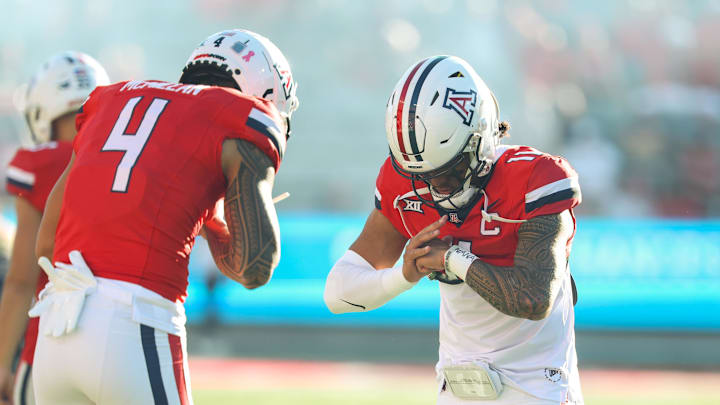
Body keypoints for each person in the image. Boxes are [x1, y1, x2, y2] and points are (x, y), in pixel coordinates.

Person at [31, 29, 298, 405]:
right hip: (133, 322)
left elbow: (45, 241)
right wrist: (214, 223)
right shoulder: (241, 116)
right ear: (265, 92)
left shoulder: (110, 100)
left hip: (56, 327)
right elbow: (255, 267)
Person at [324, 55, 583, 404]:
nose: (435, 188)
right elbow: (338, 293)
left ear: (481, 141)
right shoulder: (402, 184)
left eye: (447, 171)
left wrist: (452, 259)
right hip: (459, 387)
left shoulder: (535, 179)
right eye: (422, 176)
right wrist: (405, 275)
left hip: (537, 387)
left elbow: (533, 298)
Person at [0, 51, 109, 405]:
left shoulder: (39, 161)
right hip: (123, 335)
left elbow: (20, 281)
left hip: (53, 338)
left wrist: (1, 362)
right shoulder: (128, 158)